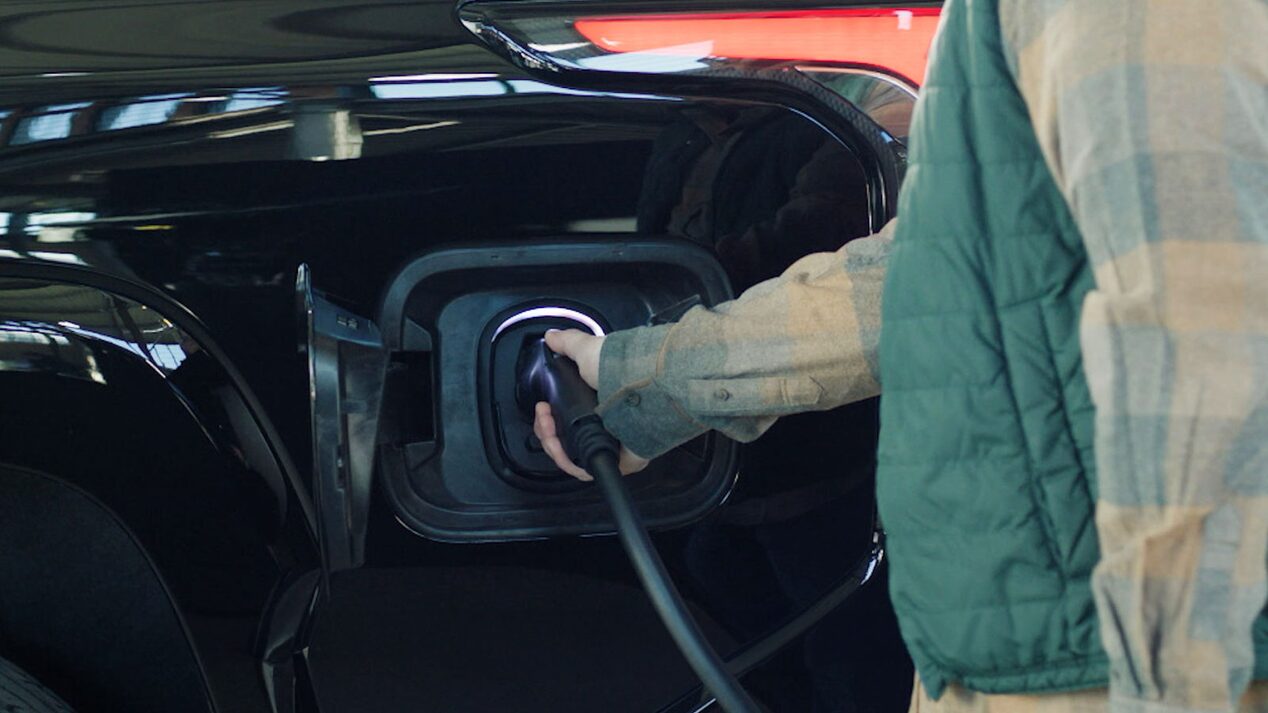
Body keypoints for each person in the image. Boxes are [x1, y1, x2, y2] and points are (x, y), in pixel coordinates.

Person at [536, 0, 1268, 711]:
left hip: (1105, 661)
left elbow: (1203, 350)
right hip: (1025, 644)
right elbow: (919, 281)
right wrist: (651, 382)